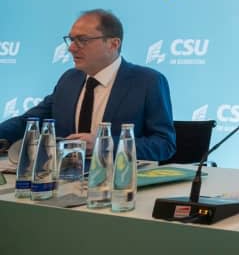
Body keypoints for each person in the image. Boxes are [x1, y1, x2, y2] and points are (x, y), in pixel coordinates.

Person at [0, 9, 175, 161]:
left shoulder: (147, 82)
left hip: (120, 183)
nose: (72, 48)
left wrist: (104, 144)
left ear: (113, 44)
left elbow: (163, 144)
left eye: (82, 40)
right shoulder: (69, 80)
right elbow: (29, 122)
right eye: (71, 39)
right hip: (64, 179)